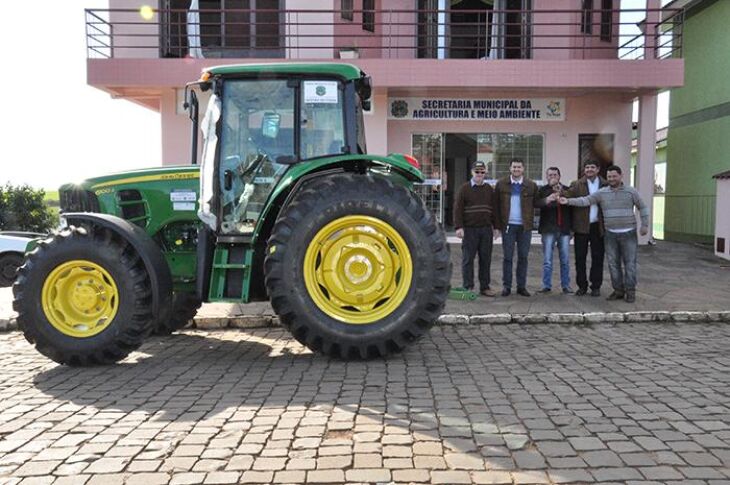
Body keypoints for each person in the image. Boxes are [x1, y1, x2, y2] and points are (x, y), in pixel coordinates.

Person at [560, 165, 649, 303]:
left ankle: (630, 291)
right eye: (609, 177)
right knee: (613, 264)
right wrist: (568, 201)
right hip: (610, 234)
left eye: (614, 176)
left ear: (621, 176)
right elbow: (585, 200)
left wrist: (645, 225)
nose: (612, 179)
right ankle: (618, 290)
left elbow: (642, 207)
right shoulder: (602, 192)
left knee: (630, 264)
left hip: (628, 234)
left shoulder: (631, 192)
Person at [494, 158, 539, 297]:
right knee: (507, 257)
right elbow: (496, 207)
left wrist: (549, 200)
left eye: (519, 167)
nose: (516, 169)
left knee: (523, 257)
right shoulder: (501, 184)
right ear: (510, 169)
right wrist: (497, 226)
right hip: (508, 226)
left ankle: (521, 286)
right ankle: (506, 286)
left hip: (524, 227)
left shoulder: (531, 185)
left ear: (523, 169)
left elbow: (537, 203)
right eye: (514, 167)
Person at [454, 161, 497, 297]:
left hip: (486, 230)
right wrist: (459, 227)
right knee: (468, 259)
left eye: (482, 172)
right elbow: (457, 209)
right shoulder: (464, 189)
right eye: (477, 172)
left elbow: (495, 210)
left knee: (485, 259)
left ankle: (485, 287)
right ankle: (468, 287)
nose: (479, 174)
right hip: (469, 230)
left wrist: (496, 227)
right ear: (472, 172)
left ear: (485, 173)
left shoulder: (489, 189)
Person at [565, 160, 607, 297]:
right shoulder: (576, 185)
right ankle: (582, 286)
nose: (589, 169)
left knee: (598, 257)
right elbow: (567, 196)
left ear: (598, 169)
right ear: (584, 170)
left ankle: (596, 286)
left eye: (592, 167)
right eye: (587, 167)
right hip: (581, 226)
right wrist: (559, 191)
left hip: (598, 226)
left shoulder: (605, 185)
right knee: (580, 258)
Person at [536, 167, 573, 294]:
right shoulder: (543, 190)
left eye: (555, 174)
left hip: (564, 229)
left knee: (565, 260)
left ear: (559, 176)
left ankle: (566, 285)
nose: (552, 176)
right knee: (547, 260)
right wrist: (547, 199)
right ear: (546, 177)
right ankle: (546, 285)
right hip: (548, 229)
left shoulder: (567, 190)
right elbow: (536, 204)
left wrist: (572, 229)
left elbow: (572, 208)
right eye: (550, 175)